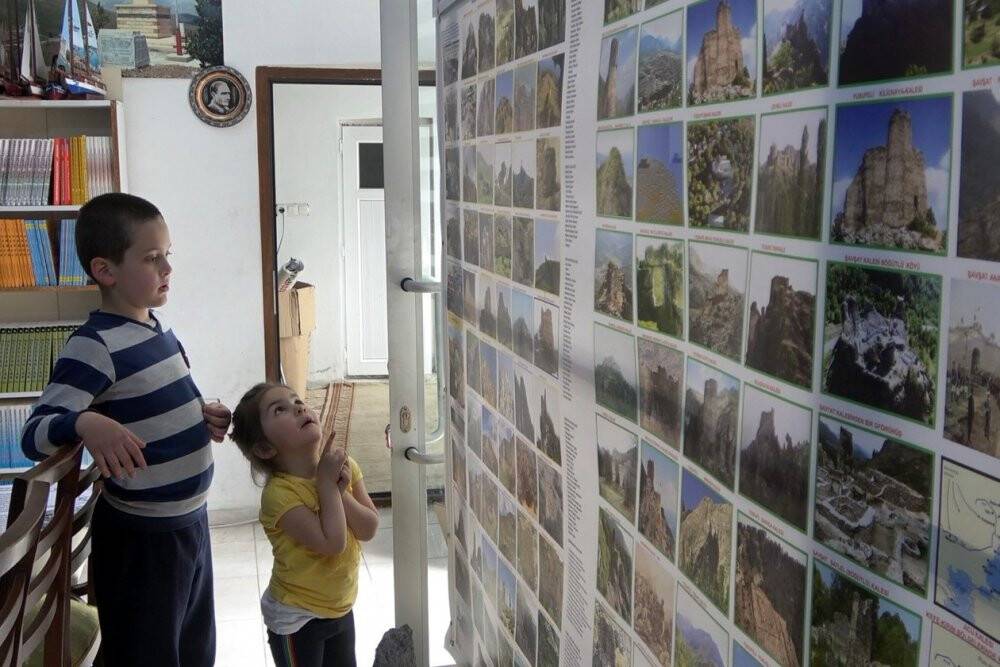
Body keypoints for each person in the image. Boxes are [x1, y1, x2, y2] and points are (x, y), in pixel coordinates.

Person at [20, 193, 233, 667]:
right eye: (152, 258)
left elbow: (160, 400)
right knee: (147, 654)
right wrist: (86, 421)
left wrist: (203, 414)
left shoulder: (157, 330)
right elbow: (33, 433)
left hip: (190, 524)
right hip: (143, 542)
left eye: (168, 256)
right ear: (106, 271)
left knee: (195, 650)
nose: (167, 269)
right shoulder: (94, 346)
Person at [231, 382, 379, 667]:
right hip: (297, 618)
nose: (298, 406)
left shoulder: (343, 465)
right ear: (264, 448)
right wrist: (326, 484)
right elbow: (332, 544)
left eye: (297, 400)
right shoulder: (280, 495)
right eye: (280, 410)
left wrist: (337, 486)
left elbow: (369, 528)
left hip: (340, 605)